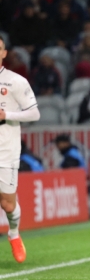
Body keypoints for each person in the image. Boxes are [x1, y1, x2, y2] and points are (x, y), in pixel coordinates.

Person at [0, 35, 41, 263]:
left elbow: (34, 113)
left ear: (4, 53)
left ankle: (14, 233)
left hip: (5, 150)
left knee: (7, 203)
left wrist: (7, 115)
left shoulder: (15, 81)